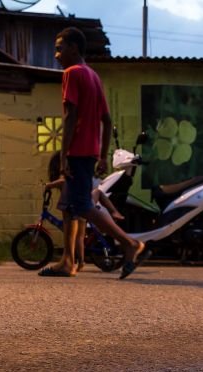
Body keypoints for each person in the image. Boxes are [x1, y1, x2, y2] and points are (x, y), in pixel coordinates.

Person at [39, 27, 148, 279]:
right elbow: (107, 120)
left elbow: (70, 115)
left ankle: (130, 244)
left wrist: (64, 155)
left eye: (59, 48)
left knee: (84, 205)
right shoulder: (93, 76)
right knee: (68, 206)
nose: (56, 55)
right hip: (89, 152)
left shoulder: (72, 73)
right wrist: (100, 155)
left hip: (77, 152)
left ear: (74, 48)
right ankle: (67, 261)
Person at [44, 152, 132, 271]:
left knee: (78, 237)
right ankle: (80, 261)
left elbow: (61, 182)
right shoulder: (80, 177)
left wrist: (48, 185)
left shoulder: (67, 177)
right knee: (80, 237)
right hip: (85, 205)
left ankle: (79, 261)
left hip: (79, 209)